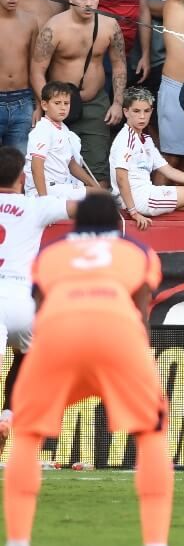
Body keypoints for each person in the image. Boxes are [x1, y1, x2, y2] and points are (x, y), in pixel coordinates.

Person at [2, 193, 184, 546]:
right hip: (117, 334)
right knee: (151, 433)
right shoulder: (135, 249)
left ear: (77, 223)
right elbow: (141, 306)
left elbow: (39, 303)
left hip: (57, 337)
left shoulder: (50, 255)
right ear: (114, 224)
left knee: (28, 435)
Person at [0, 146, 75, 462]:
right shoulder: (36, 206)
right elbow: (83, 207)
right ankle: (7, 415)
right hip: (19, 300)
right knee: (28, 356)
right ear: (24, 177)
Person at [109, 88, 184, 230]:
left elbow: (168, 170)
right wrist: (133, 212)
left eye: (146, 111)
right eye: (136, 111)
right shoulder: (126, 139)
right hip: (139, 200)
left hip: (147, 194)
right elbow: (121, 178)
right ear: (126, 112)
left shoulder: (145, 139)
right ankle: (183, 230)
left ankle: (170, 222)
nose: (142, 117)